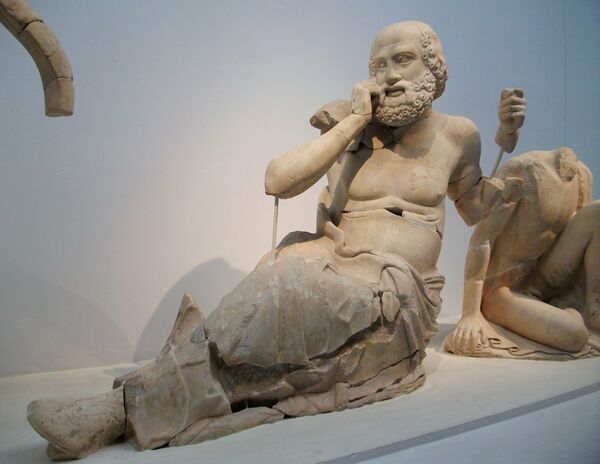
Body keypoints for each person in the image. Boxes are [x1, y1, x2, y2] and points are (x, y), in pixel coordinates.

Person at [26, 21, 526, 460]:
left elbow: (476, 209)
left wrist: (506, 137)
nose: (391, 75)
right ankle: (134, 400)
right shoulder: (349, 126)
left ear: (434, 68)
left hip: (395, 293)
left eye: (404, 60)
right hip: (328, 261)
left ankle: (119, 409)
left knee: (278, 296)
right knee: (256, 316)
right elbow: (278, 181)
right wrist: (354, 121)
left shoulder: (458, 135)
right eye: (379, 64)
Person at [445, 147, 599, 358]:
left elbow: (580, 234)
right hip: (502, 290)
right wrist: (470, 314)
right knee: (575, 336)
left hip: (543, 275)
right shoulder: (521, 173)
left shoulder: (581, 175)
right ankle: (569, 314)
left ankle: (592, 313)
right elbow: (481, 240)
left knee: (597, 212)